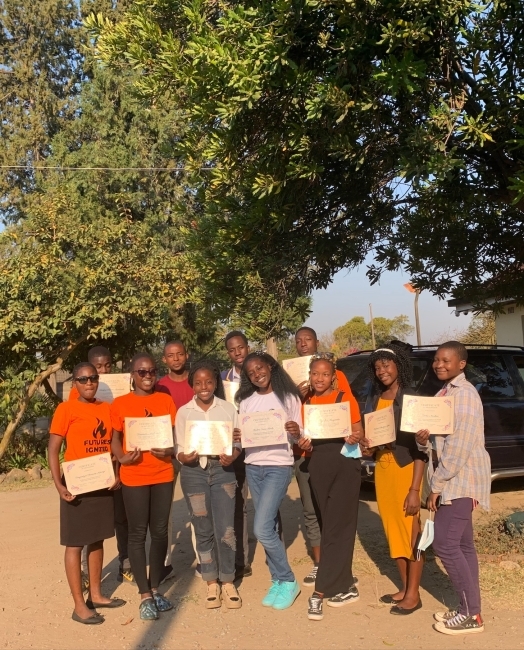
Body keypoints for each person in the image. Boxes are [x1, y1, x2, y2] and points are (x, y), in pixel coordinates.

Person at [415, 341, 491, 636]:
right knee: (462, 546)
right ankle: (468, 607)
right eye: (436, 360)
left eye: (446, 360)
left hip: (462, 481)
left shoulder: (466, 395)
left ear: (462, 364)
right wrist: (423, 439)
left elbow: (460, 446)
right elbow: (434, 443)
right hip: (451, 480)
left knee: (445, 545)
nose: (439, 365)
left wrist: (437, 484)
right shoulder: (443, 394)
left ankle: (472, 615)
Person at [48, 362, 125, 625]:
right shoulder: (65, 408)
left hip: (102, 481)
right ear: (75, 383)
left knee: (97, 539)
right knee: (75, 542)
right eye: (83, 379)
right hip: (76, 485)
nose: (89, 383)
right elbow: (54, 447)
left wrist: (116, 470)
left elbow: (113, 441)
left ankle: (96, 594)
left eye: (93, 378)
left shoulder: (107, 408)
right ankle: (79, 605)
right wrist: (59, 484)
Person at [111, 352, 177, 621]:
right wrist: (122, 457)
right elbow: (115, 439)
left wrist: (169, 450)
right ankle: (144, 595)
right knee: (138, 534)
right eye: (142, 372)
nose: (148, 376)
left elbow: (174, 437)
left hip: (162, 473)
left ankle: (156, 589)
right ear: (132, 375)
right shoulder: (120, 404)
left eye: (152, 371)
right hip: (134, 476)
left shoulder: (165, 400)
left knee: (160, 532)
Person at [297, 355, 363, 621]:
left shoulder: (344, 399)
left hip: (345, 466)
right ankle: (344, 584)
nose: (320, 379)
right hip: (318, 466)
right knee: (329, 525)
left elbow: (358, 430)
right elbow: (304, 438)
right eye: (315, 374)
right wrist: (302, 444)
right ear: (310, 375)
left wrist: (354, 435)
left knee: (340, 526)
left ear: (333, 377)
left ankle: (321, 590)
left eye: (325, 375)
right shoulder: (306, 402)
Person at [363, 343, 427, 615]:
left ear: (398, 365)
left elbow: (421, 452)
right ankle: (404, 587)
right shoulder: (376, 397)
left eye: (386, 365)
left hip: (406, 471)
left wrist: (415, 489)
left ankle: (413, 595)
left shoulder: (411, 397)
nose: (382, 371)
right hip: (383, 469)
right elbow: (375, 438)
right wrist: (369, 446)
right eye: (377, 368)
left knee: (411, 532)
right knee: (393, 532)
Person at [236, 351, 302, 611]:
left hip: (278, 466)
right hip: (253, 466)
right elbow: (242, 441)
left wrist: (297, 432)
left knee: (261, 529)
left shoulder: (289, 397)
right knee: (270, 525)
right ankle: (277, 580)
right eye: (250, 373)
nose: (256, 375)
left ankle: (288, 579)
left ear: (271, 366)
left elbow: (299, 436)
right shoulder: (246, 401)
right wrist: (236, 436)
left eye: (260, 369)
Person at [175, 360, 242, 609]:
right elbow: (179, 448)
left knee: (226, 530)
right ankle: (211, 580)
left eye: (209, 382)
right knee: (202, 529)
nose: (204, 386)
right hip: (194, 473)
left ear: (216, 383)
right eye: (198, 382)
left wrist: (233, 455)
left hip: (222, 470)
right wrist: (184, 457)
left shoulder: (228, 409)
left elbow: (237, 441)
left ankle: (227, 580)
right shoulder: (184, 412)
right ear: (192, 385)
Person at [292, 326, 352, 586]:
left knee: (332, 512)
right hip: (305, 453)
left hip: (334, 455)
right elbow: (289, 416)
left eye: (308, 339)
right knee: (310, 510)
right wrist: (298, 394)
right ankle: (319, 563)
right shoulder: (294, 379)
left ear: (317, 342)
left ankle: (334, 564)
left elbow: (347, 414)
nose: (303, 344)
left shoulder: (338, 376)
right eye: (298, 340)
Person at [69, 345, 133, 587]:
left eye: (107, 365)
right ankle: (86, 571)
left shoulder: (121, 389)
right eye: (98, 367)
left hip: (115, 462)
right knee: (89, 524)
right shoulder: (75, 397)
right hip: (88, 470)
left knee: (120, 517)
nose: (103, 370)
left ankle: (125, 563)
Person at [221, 330, 252, 579]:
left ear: (248, 347)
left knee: (267, 504)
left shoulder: (261, 374)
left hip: (263, 446)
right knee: (238, 503)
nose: (237, 352)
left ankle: (277, 558)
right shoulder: (222, 381)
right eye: (232, 349)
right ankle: (241, 559)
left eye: (240, 347)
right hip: (236, 448)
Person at [156, 341, 194, 410]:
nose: (176, 359)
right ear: (164, 359)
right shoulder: (159, 386)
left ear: (186, 356)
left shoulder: (198, 382)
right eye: (170, 356)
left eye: (180, 354)